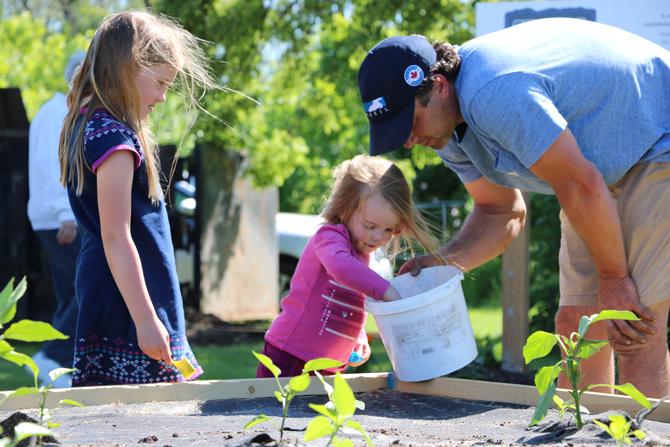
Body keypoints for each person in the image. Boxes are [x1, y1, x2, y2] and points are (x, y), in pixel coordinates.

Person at [357, 19, 670, 398]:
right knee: (577, 325)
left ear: (438, 86)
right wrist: (444, 261)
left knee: (631, 327)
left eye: (410, 122)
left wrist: (615, 280)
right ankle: (587, 435)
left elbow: (580, 184)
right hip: (599, 169)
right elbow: (501, 211)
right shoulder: (447, 133)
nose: (407, 141)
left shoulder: (491, 92)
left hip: (658, 134)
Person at [58, 10, 221, 386]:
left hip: (123, 288)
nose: (163, 98)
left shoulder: (90, 123)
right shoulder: (113, 139)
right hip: (126, 300)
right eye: (161, 83)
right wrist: (146, 320)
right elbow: (116, 235)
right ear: (127, 68)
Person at [257, 154, 439, 378]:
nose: (378, 237)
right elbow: (342, 269)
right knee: (282, 413)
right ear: (344, 209)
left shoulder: (362, 254)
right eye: (370, 226)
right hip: (291, 358)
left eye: (389, 230)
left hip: (329, 366)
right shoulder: (330, 238)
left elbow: (347, 300)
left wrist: (357, 337)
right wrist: (387, 291)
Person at [26, 49, 86, 388]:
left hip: (53, 217)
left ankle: (61, 367)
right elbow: (54, 167)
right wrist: (67, 213)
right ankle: (50, 357)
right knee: (87, 287)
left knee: (69, 292)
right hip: (59, 218)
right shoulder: (58, 113)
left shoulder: (54, 110)